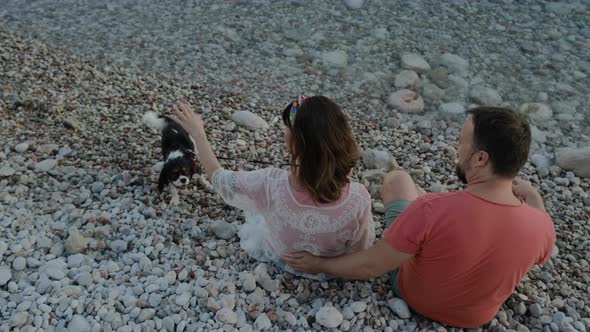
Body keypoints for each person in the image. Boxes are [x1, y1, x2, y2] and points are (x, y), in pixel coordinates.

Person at [283, 107, 556, 327]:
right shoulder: (541, 226)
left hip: (415, 297)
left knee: (398, 179)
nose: (457, 149)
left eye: (462, 143)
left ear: (481, 159)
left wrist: (319, 264)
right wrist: (534, 199)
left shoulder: (432, 208)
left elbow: (371, 267)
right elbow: (542, 253)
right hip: (476, 318)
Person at [171, 96, 375, 280]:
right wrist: (323, 264)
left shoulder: (269, 183)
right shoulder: (358, 198)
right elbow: (361, 251)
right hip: (333, 269)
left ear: (296, 143)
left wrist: (198, 134)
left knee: (260, 211)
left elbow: (218, 178)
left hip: (281, 257)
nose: (284, 132)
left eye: (288, 128)